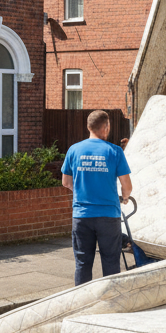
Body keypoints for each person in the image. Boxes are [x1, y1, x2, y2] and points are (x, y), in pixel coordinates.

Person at [61, 110, 132, 285]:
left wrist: (83, 191)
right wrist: (124, 197)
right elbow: (127, 186)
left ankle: (83, 304)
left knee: (83, 264)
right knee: (110, 262)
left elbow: (66, 182)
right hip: (108, 216)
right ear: (106, 127)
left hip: (82, 215)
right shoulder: (115, 152)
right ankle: (110, 303)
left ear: (88, 126)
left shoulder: (74, 150)